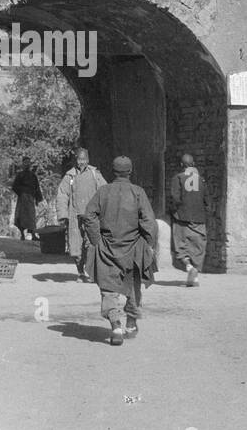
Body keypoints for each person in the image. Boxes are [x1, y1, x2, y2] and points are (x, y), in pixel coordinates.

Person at [81, 156, 157, 346]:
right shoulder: (138, 192)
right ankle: (131, 324)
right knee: (133, 287)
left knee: (108, 288)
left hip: (108, 248)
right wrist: (149, 244)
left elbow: (88, 215)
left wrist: (96, 239)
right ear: (130, 172)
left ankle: (115, 326)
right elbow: (148, 221)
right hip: (133, 249)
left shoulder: (103, 192)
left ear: (113, 172)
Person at [56, 148, 106, 283]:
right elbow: (62, 195)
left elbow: (105, 191)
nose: (81, 162)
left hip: (92, 216)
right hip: (75, 216)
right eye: (79, 159)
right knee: (75, 246)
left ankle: (90, 272)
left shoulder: (95, 174)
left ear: (88, 160)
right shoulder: (69, 176)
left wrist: (104, 211)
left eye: (84, 159)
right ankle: (80, 272)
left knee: (91, 244)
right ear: (75, 160)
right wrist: (62, 214)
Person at [168, 153, 208, 287]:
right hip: (199, 218)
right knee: (198, 247)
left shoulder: (178, 178)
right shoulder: (201, 180)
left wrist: (173, 211)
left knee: (180, 246)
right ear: (194, 164)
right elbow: (207, 200)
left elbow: (175, 198)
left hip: (182, 218)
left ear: (181, 165)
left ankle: (189, 267)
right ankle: (194, 276)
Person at [11, 157, 44, 241]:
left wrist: (38, 198)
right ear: (22, 164)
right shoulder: (20, 175)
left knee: (31, 216)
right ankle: (22, 234)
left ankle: (33, 235)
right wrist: (21, 193)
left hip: (30, 198)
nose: (27, 164)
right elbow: (14, 186)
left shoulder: (33, 176)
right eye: (25, 163)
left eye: (28, 163)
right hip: (22, 198)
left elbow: (36, 187)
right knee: (21, 216)